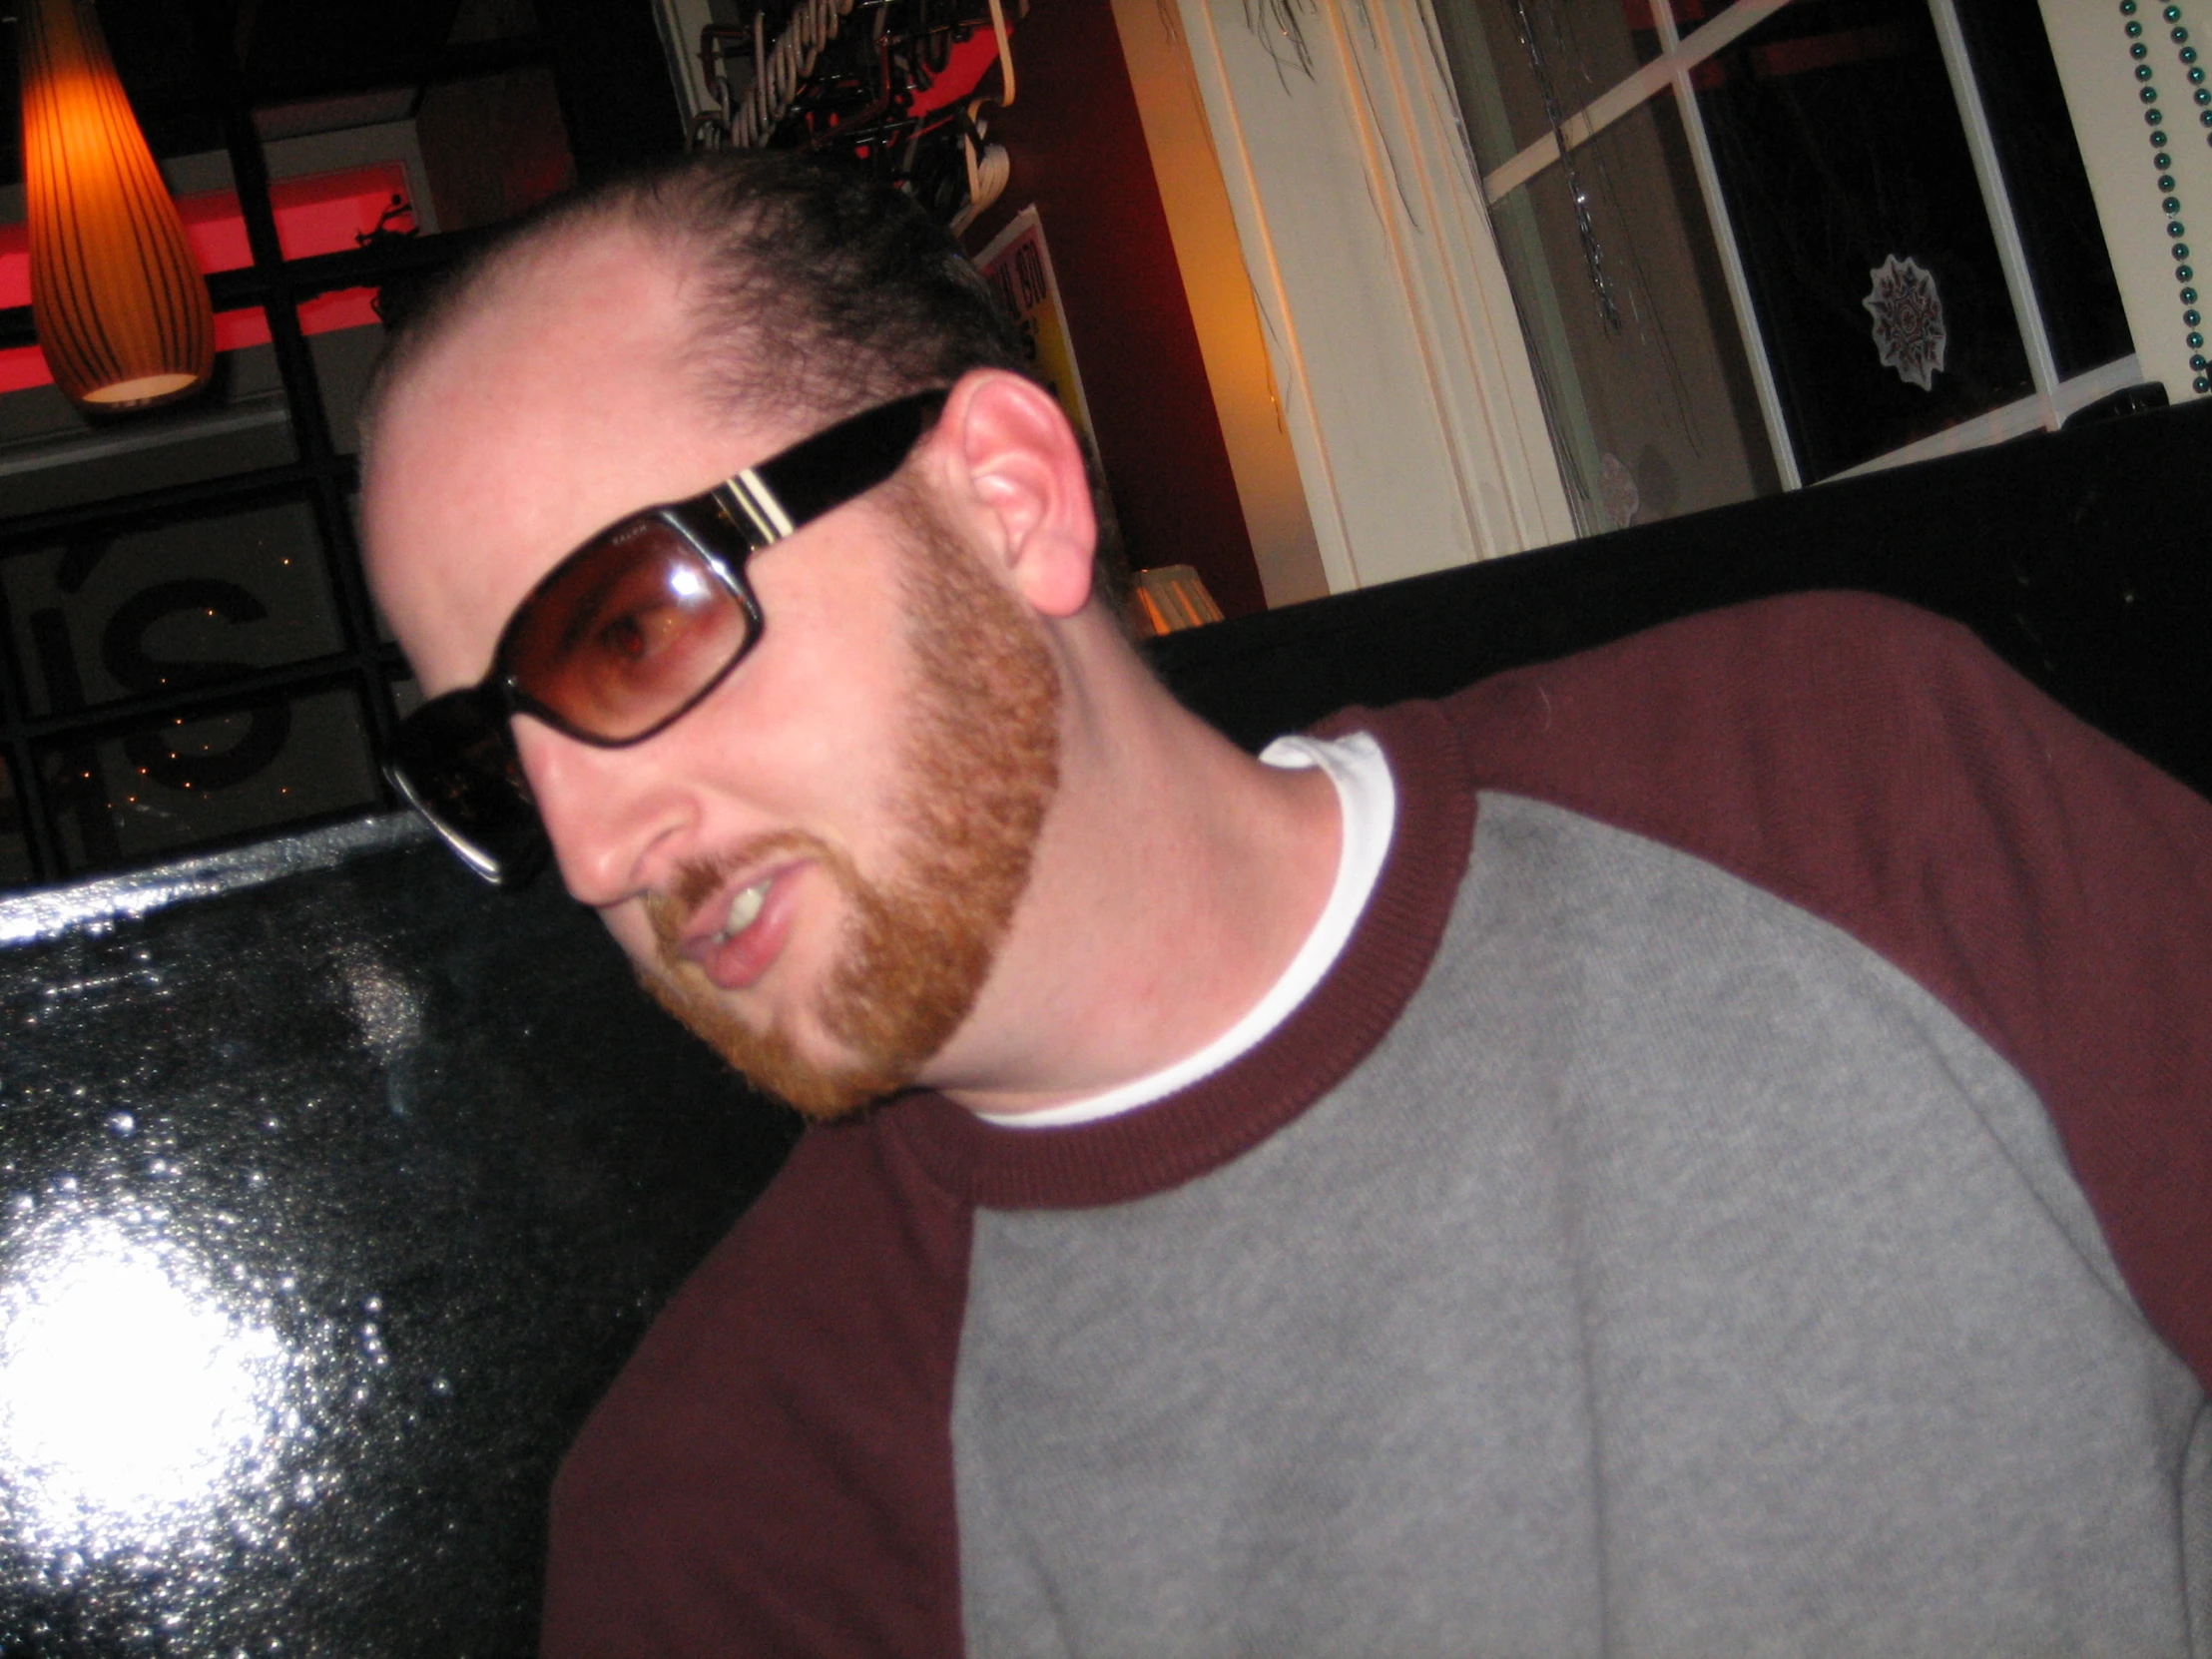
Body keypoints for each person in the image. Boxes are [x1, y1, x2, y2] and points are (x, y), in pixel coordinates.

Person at [360, 152, 2212, 1657]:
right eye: (496, 764)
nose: (594, 853)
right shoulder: (735, 1519)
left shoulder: (1830, 783)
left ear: (1006, 499)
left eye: (628, 629)